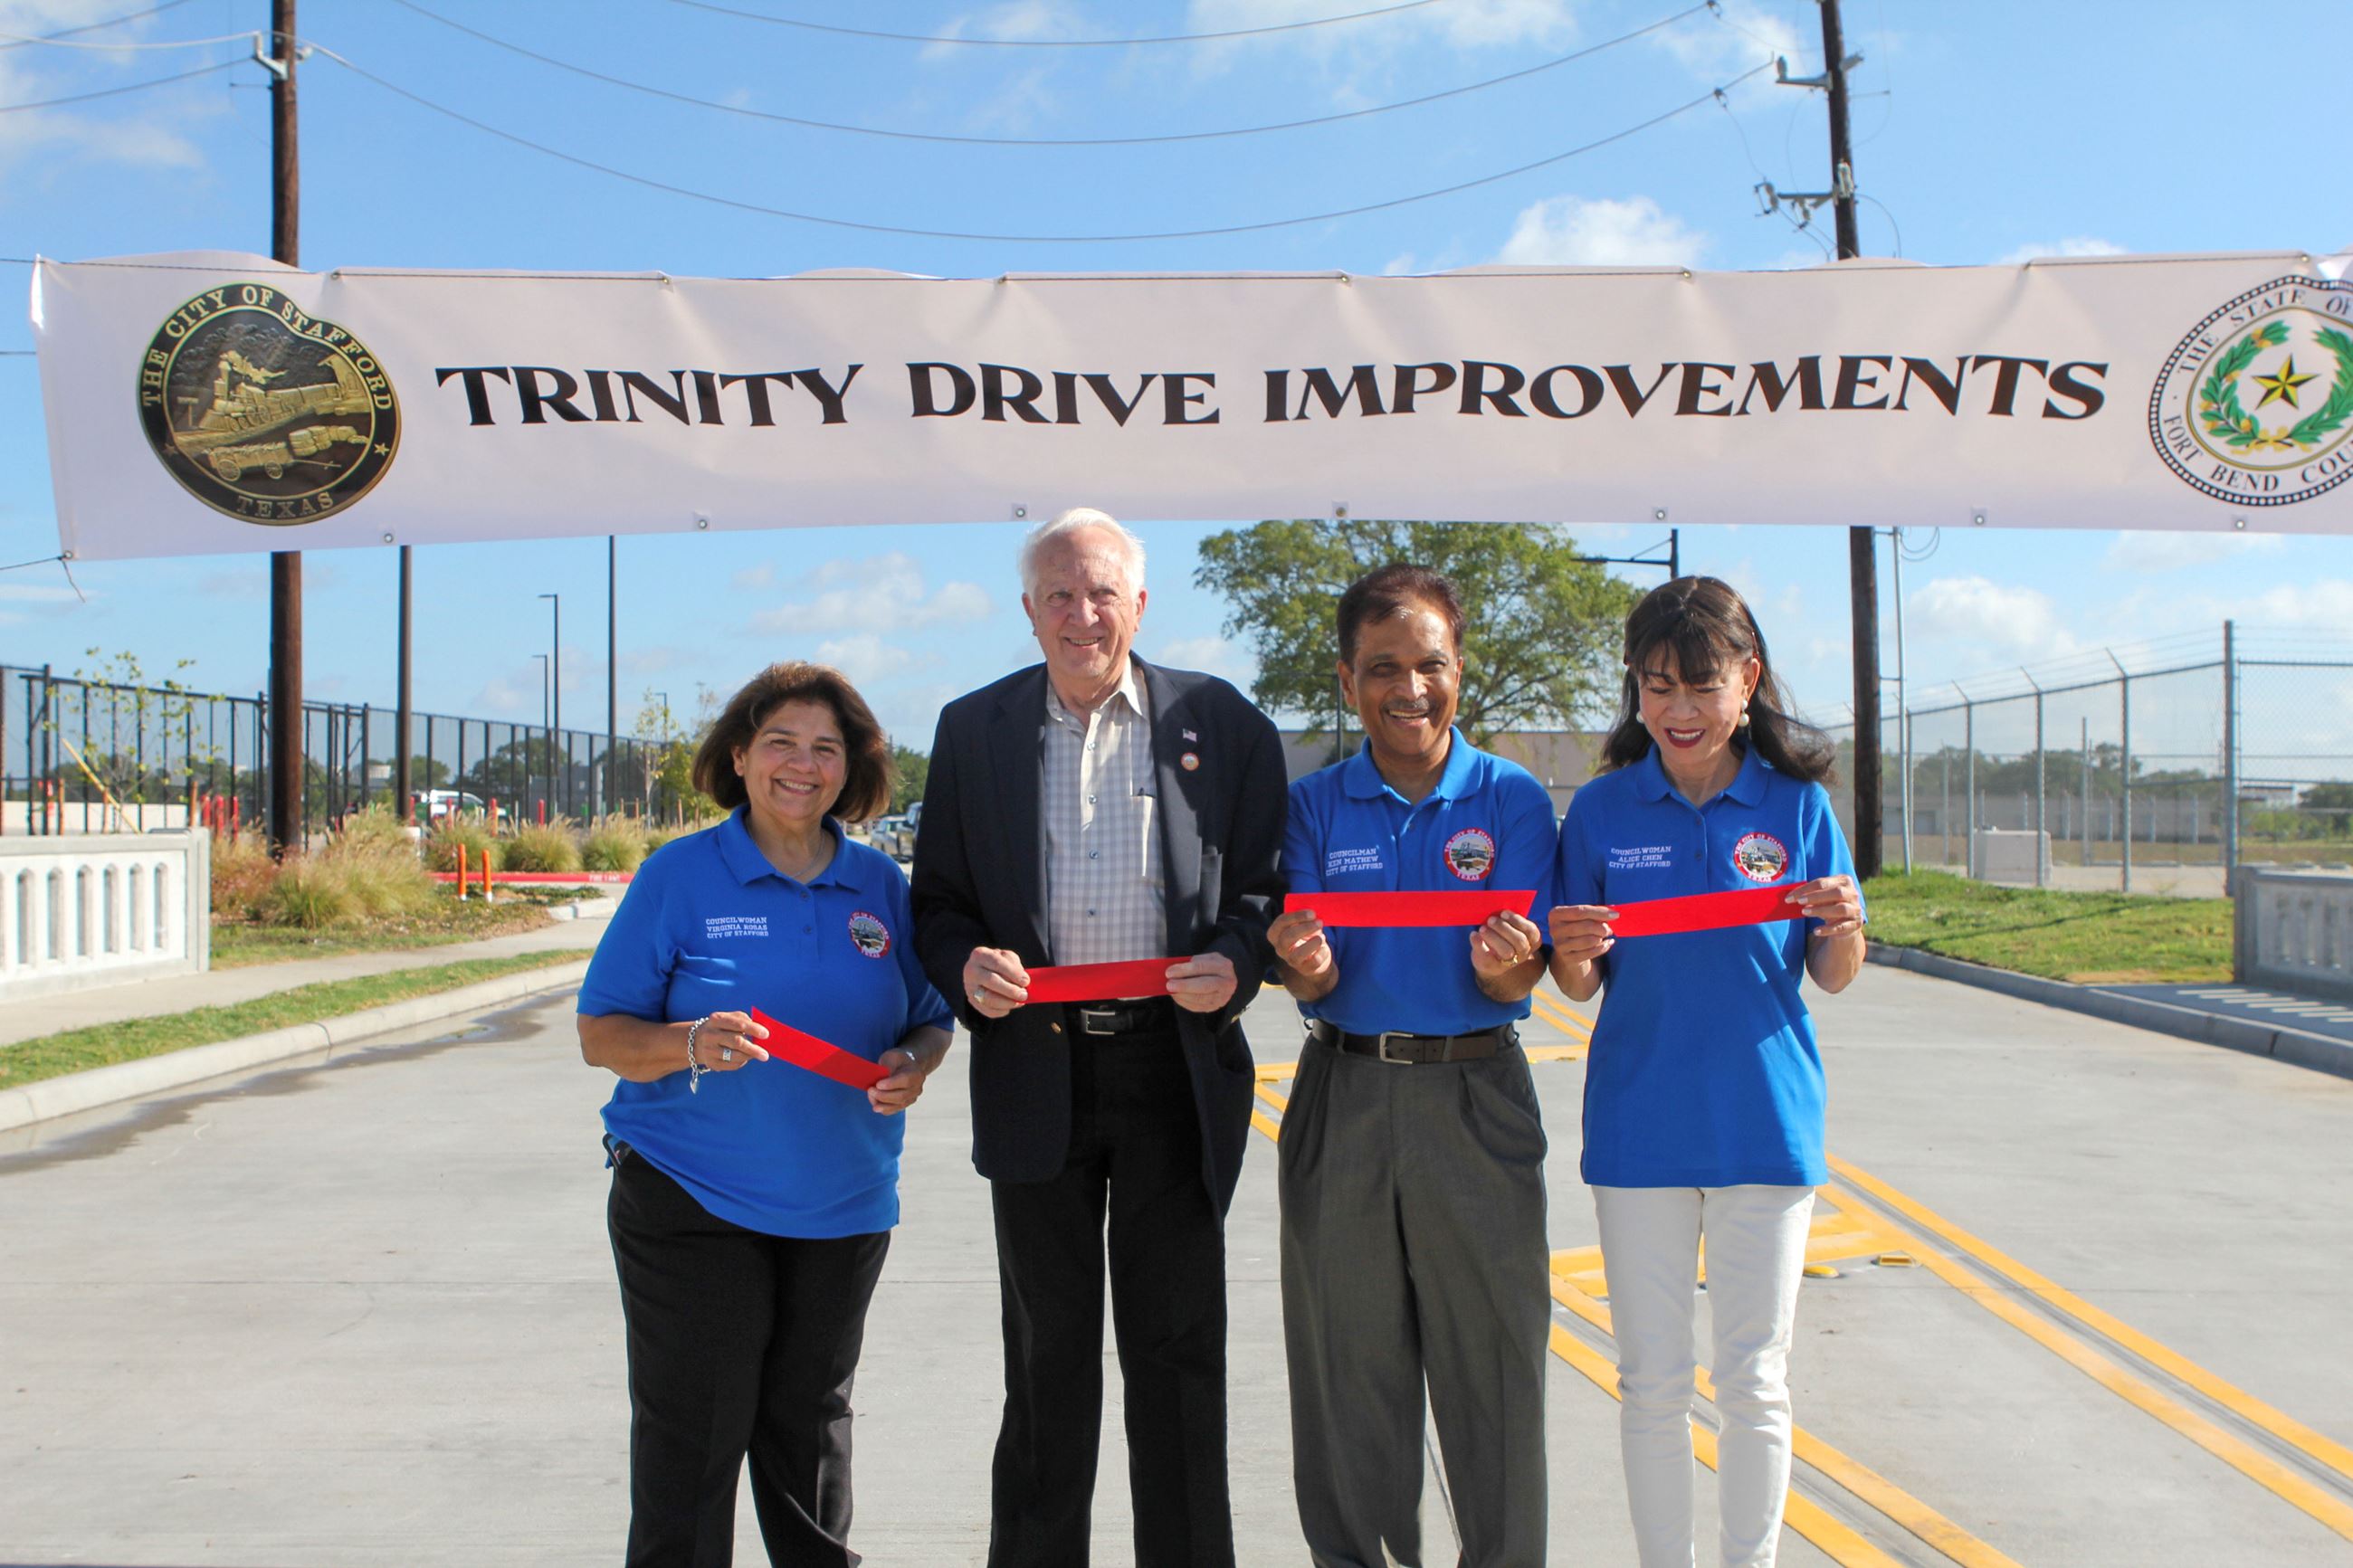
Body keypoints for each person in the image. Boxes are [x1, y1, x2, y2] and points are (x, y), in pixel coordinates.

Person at [910, 507, 1288, 1568]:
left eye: (1102, 592)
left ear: (1139, 602)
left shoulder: (1221, 719)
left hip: (1172, 1067)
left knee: (1175, 1361)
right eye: (1061, 595)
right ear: (1028, 610)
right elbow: (935, 900)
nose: (1083, 615)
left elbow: (1264, 886)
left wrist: (1240, 956)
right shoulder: (971, 728)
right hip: (1036, 1070)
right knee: (1046, 1364)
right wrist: (962, 965)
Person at [577, 661, 955, 1568]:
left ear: (849, 768)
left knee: (811, 1431)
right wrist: (689, 1041)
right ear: (740, 756)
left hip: (843, 1199)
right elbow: (601, 1033)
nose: (802, 763)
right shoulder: (681, 875)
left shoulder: (880, 886)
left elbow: (929, 1019)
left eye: (825, 747)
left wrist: (913, 1062)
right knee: (694, 1438)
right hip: (692, 1198)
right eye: (780, 741)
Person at [1545, 577, 1866, 1568]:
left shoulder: (1795, 803)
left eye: (1700, 685)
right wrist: (1573, 946)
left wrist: (1844, 924)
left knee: (1752, 1378)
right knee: (1648, 1379)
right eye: (1655, 686)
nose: (1677, 709)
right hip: (1639, 1129)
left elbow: (1831, 973)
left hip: (1762, 1128)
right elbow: (1576, 981)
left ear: (1747, 681)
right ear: (1634, 691)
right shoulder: (1599, 810)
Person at [1265, 563, 1558, 1568]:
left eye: (1427, 662)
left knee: (1495, 1371)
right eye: (1381, 666)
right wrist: (1304, 964)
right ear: (1347, 680)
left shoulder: (1512, 798)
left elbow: (1526, 967)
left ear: (1458, 671)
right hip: (1341, 1091)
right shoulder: (1312, 806)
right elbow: (1309, 976)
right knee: (1347, 1373)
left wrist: (1511, 964)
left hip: (1475, 1095)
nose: (1408, 687)